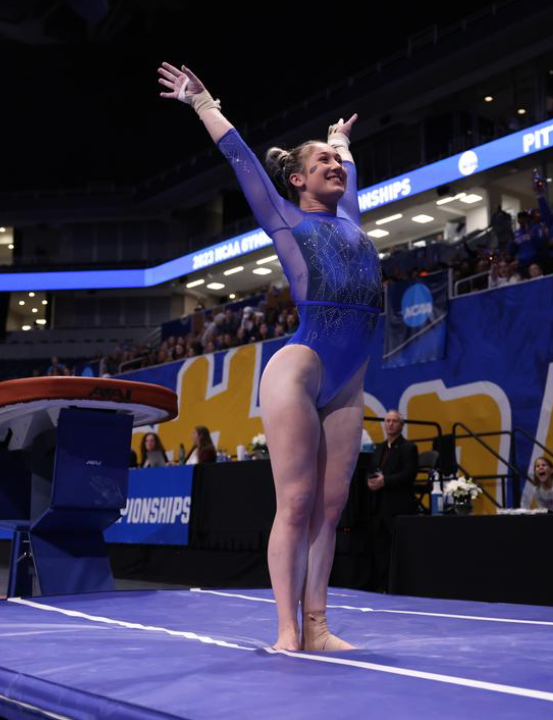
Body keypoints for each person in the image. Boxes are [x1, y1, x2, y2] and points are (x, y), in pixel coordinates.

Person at [160, 62, 379, 651]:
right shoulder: (284, 220)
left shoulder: (352, 221)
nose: (335, 171)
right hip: (301, 369)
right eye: (323, 166)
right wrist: (205, 105)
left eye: (338, 167)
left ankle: (318, 625)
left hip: (349, 380)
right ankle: (286, 629)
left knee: (330, 511)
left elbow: (350, 176)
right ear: (298, 183)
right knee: (298, 501)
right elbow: (245, 165)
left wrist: (340, 144)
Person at [367, 410, 419, 591]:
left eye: (394, 421)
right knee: (380, 548)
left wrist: (385, 481)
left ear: (401, 425)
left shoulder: (408, 448)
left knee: (397, 549)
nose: (390, 424)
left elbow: (408, 474)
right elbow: (371, 469)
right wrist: (371, 481)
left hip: (398, 506)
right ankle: (381, 586)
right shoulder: (378, 448)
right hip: (378, 506)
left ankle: (398, 587)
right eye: (387, 421)